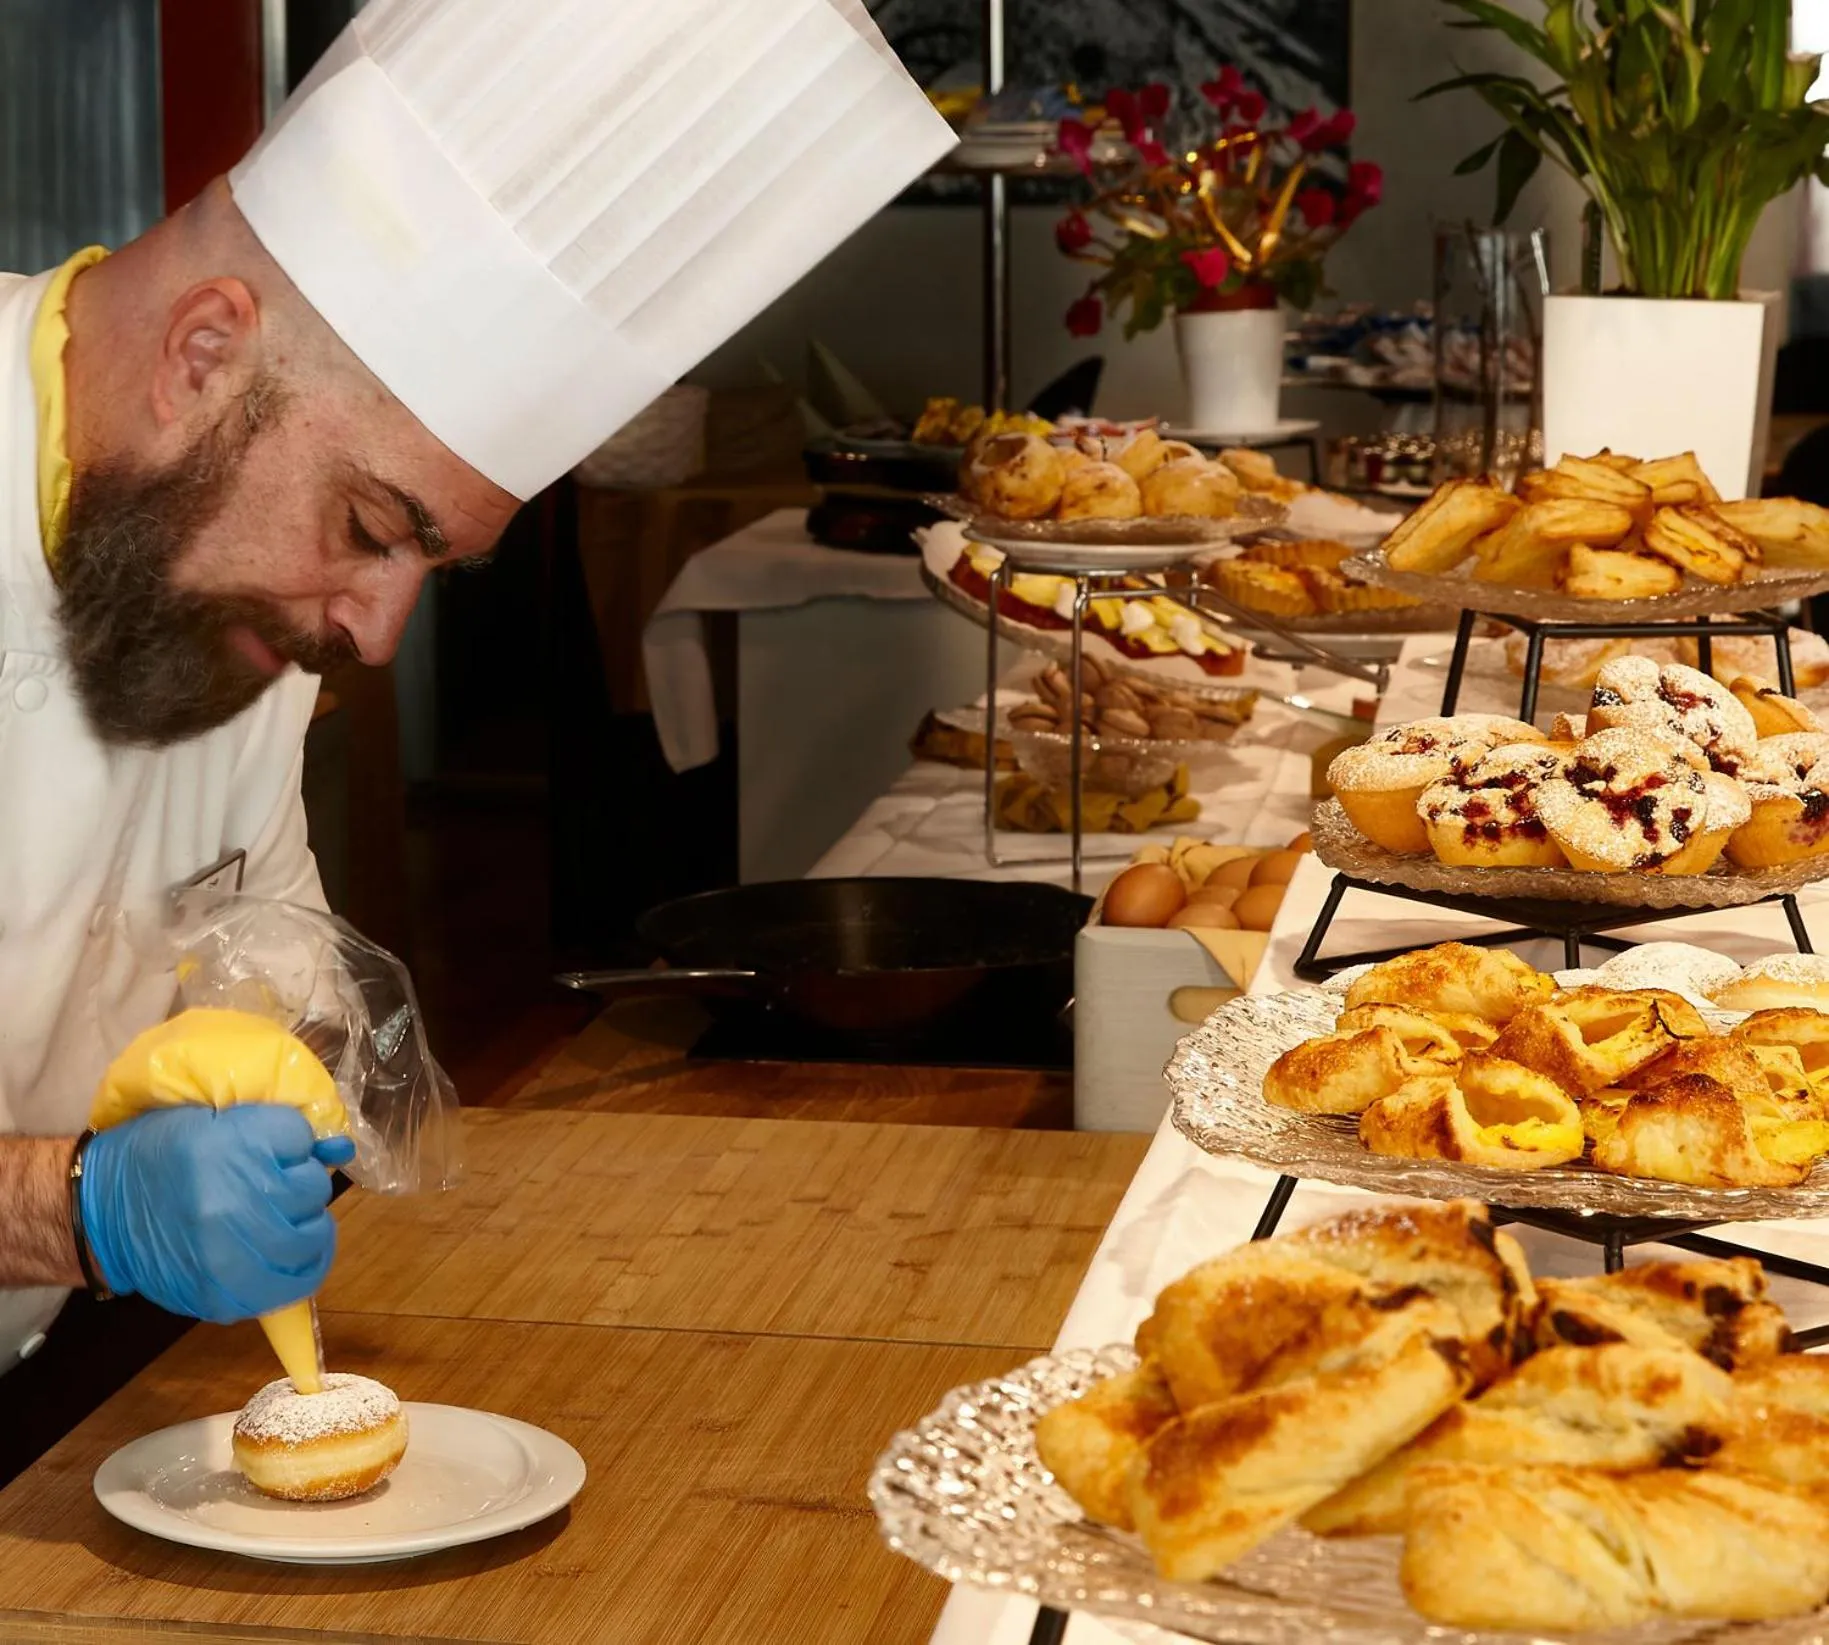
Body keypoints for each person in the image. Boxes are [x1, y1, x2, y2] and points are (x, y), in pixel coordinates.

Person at [0, 0, 953, 1389]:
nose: (378, 633)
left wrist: (323, 1073)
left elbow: (263, 946)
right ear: (202, 355)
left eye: (429, 565)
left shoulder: (219, 581)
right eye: (367, 526)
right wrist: (73, 1207)